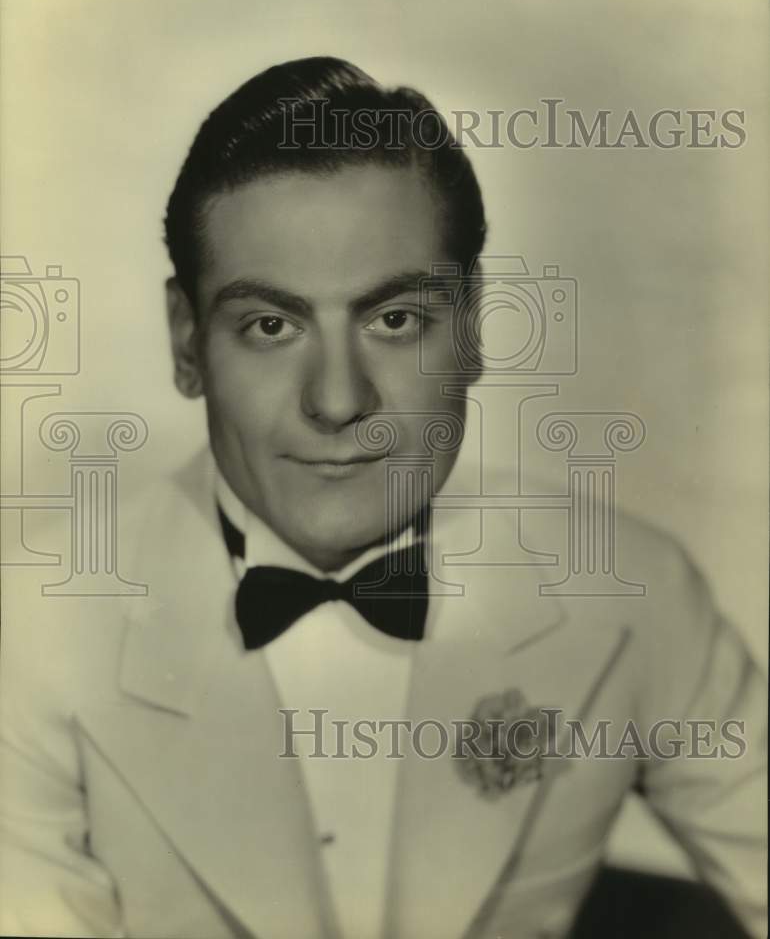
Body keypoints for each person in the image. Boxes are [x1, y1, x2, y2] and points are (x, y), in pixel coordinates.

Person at [0, 57, 765, 939]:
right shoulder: (33, 628)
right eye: (269, 326)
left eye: (395, 320)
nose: (336, 401)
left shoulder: (630, 592)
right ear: (187, 342)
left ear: (471, 328)